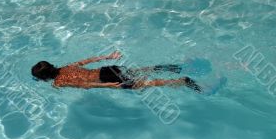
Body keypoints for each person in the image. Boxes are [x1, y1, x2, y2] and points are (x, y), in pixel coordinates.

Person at [31, 51, 202, 91]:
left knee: (146, 83)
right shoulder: (67, 67)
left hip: (106, 79)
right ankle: (176, 68)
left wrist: (110, 86)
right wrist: (109, 56)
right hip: (107, 68)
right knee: (141, 70)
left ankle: (183, 81)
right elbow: (88, 61)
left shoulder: (59, 83)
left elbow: (85, 85)